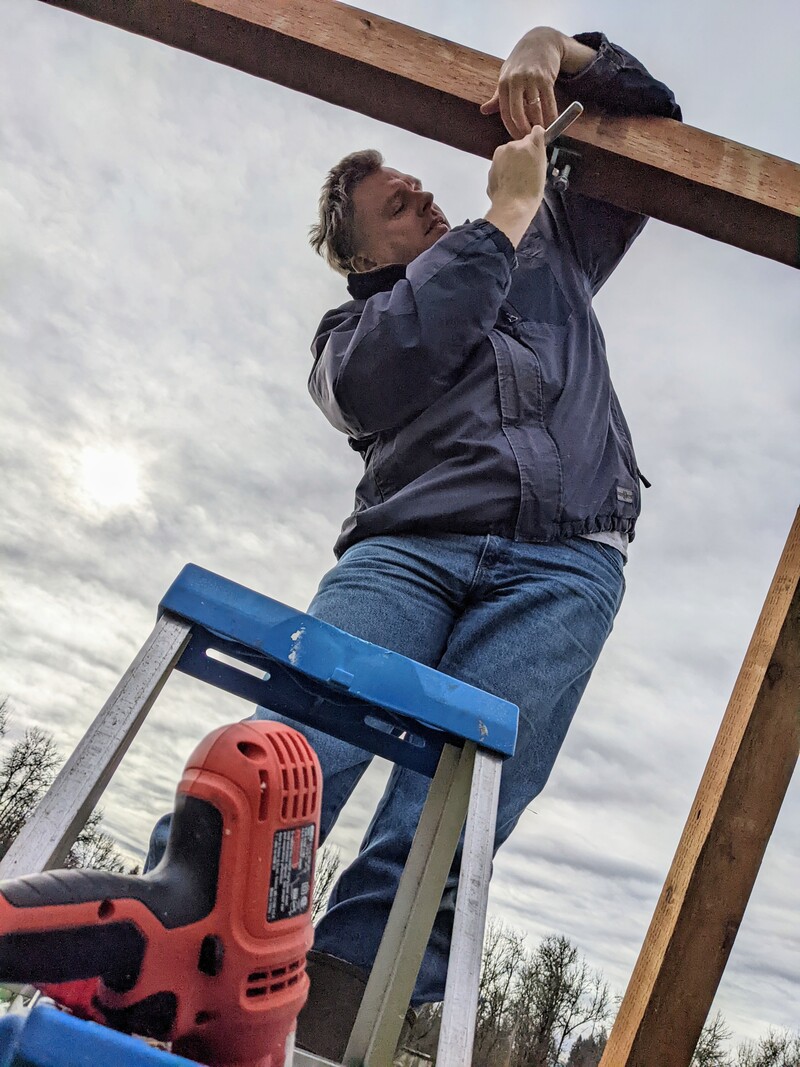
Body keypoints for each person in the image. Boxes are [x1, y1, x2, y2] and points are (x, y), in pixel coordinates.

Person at [145, 26, 680, 1058]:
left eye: (424, 189)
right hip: (407, 549)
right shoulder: (350, 336)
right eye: (399, 206)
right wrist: (504, 217)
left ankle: (337, 1012)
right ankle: (177, 961)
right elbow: (388, 370)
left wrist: (552, 51)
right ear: (359, 255)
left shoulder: (552, 250)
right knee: (301, 747)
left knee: (455, 813)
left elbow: (649, 121)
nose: (430, 202)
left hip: (567, 556)